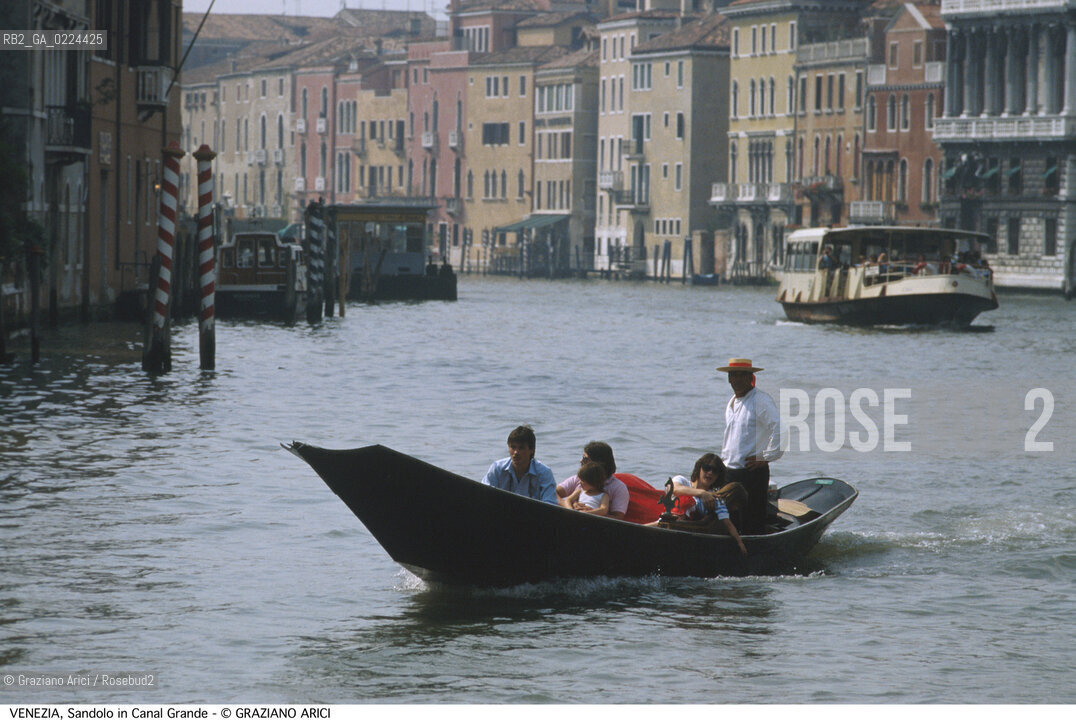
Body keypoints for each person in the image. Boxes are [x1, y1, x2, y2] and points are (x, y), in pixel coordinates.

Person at [717, 358, 783, 535]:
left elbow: (780, 429)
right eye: (733, 375)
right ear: (729, 379)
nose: (737, 380)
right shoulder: (732, 402)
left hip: (751, 472)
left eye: (741, 375)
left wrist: (765, 457)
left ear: (750, 378)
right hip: (730, 470)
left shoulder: (760, 400)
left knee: (752, 521)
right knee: (727, 520)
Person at [481, 425, 556, 504]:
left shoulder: (544, 473)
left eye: (521, 448)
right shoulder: (497, 468)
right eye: (513, 447)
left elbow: (550, 504)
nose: (516, 452)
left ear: (531, 450)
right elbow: (484, 494)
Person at [556, 441, 629, 520]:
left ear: (597, 463)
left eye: (585, 458)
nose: (581, 461)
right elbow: (553, 492)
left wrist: (591, 512)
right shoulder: (578, 479)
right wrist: (570, 507)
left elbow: (618, 518)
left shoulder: (618, 488)